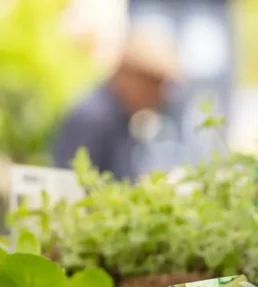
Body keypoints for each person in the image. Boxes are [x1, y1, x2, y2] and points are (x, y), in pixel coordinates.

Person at [52, 25, 181, 180]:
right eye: (153, 83)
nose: (159, 95)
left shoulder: (121, 116)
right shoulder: (92, 118)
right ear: (128, 74)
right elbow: (71, 182)